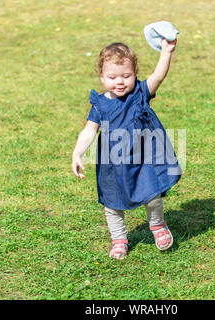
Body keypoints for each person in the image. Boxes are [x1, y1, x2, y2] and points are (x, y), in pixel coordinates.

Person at [71, 40, 182, 259]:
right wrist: (77, 153)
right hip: (112, 164)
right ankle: (119, 239)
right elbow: (89, 131)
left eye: (126, 76)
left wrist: (166, 52)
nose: (120, 82)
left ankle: (158, 226)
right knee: (113, 204)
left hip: (143, 161)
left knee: (153, 196)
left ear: (135, 74)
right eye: (112, 78)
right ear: (102, 77)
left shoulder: (140, 93)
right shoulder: (100, 104)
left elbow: (158, 76)